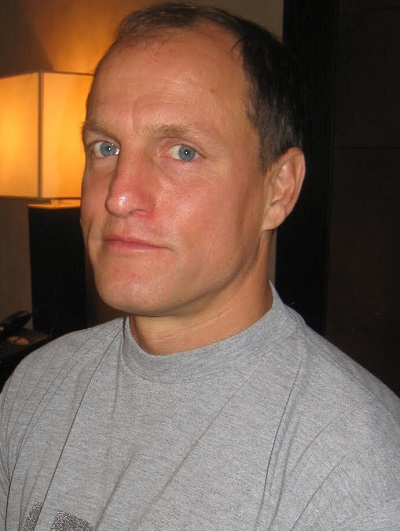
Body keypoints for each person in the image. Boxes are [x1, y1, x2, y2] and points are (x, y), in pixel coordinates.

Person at [1, 2, 400, 529]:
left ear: (278, 190)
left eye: (182, 152)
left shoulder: (352, 469)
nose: (119, 196)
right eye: (105, 147)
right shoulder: (36, 387)